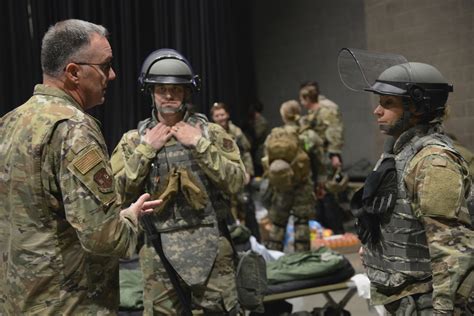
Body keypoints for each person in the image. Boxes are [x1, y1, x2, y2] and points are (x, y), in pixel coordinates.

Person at [0, 19, 161, 314]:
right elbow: (104, 237)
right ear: (74, 72)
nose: (112, 75)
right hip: (68, 303)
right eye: (105, 65)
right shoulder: (75, 129)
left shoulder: (9, 122)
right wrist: (130, 220)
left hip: (17, 301)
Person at [110, 48, 246, 315]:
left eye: (176, 89)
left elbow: (238, 182)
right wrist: (146, 150)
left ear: (187, 92)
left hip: (213, 247)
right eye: (161, 89)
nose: (169, 95)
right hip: (158, 251)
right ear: (150, 92)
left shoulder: (212, 133)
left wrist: (199, 144)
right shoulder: (133, 140)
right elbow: (116, 193)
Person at [339, 48, 474, 315]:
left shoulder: (433, 162)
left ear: (417, 108)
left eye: (388, 103)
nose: (377, 111)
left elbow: (451, 248)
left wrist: (443, 310)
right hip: (403, 297)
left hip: (425, 300)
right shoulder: (399, 151)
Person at [262, 100, 316, 252]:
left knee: (278, 222)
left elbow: (267, 158)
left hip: (281, 185)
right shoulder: (307, 135)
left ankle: (274, 256)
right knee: (301, 221)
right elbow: (319, 158)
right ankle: (302, 258)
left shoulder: (274, 135)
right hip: (303, 184)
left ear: (283, 115)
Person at [299, 81, 346, 234]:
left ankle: (337, 232)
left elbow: (335, 131)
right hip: (317, 158)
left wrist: (334, 154)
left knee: (329, 194)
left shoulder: (327, 108)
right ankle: (326, 233)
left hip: (326, 157)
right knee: (320, 195)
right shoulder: (315, 111)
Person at [210, 102, 261, 240]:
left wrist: (248, 172)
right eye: (217, 115)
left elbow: (245, 153)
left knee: (245, 207)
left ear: (227, 115)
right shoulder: (209, 133)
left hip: (237, 174)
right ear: (213, 118)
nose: (220, 118)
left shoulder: (236, 132)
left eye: (222, 114)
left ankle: (251, 239)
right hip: (220, 176)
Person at [245, 100, 270, 177]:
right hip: (252, 149)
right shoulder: (252, 121)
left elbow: (257, 135)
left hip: (259, 150)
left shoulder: (262, 122)